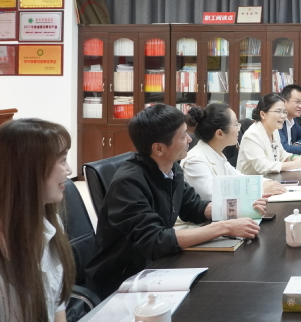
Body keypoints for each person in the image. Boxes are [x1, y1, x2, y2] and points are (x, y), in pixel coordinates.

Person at [85, 104, 266, 299]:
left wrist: (241, 208)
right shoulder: (128, 183)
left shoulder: (172, 169)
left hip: (156, 264)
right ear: (159, 148)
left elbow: (194, 207)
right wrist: (224, 227)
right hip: (122, 279)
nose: (190, 139)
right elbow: (155, 240)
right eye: (183, 136)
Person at [0, 119, 75, 322]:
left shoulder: (50, 224)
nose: (69, 170)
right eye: (62, 160)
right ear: (28, 170)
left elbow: (56, 305)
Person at [181, 104, 287, 200]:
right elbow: (212, 195)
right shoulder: (194, 161)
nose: (239, 129)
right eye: (236, 125)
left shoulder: (217, 154)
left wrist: (267, 183)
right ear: (220, 134)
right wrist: (260, 188)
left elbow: (239, 178)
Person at [237, 93, 301, 175]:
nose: (283, 116)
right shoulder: (252, 135)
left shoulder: (274, 130)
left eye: (284, 112)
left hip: (270, 178)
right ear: (263, 114)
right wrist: (295, 164)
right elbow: (263, 167)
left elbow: (281, 154)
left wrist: (295, 158)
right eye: (278, 111)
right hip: (253, 181)